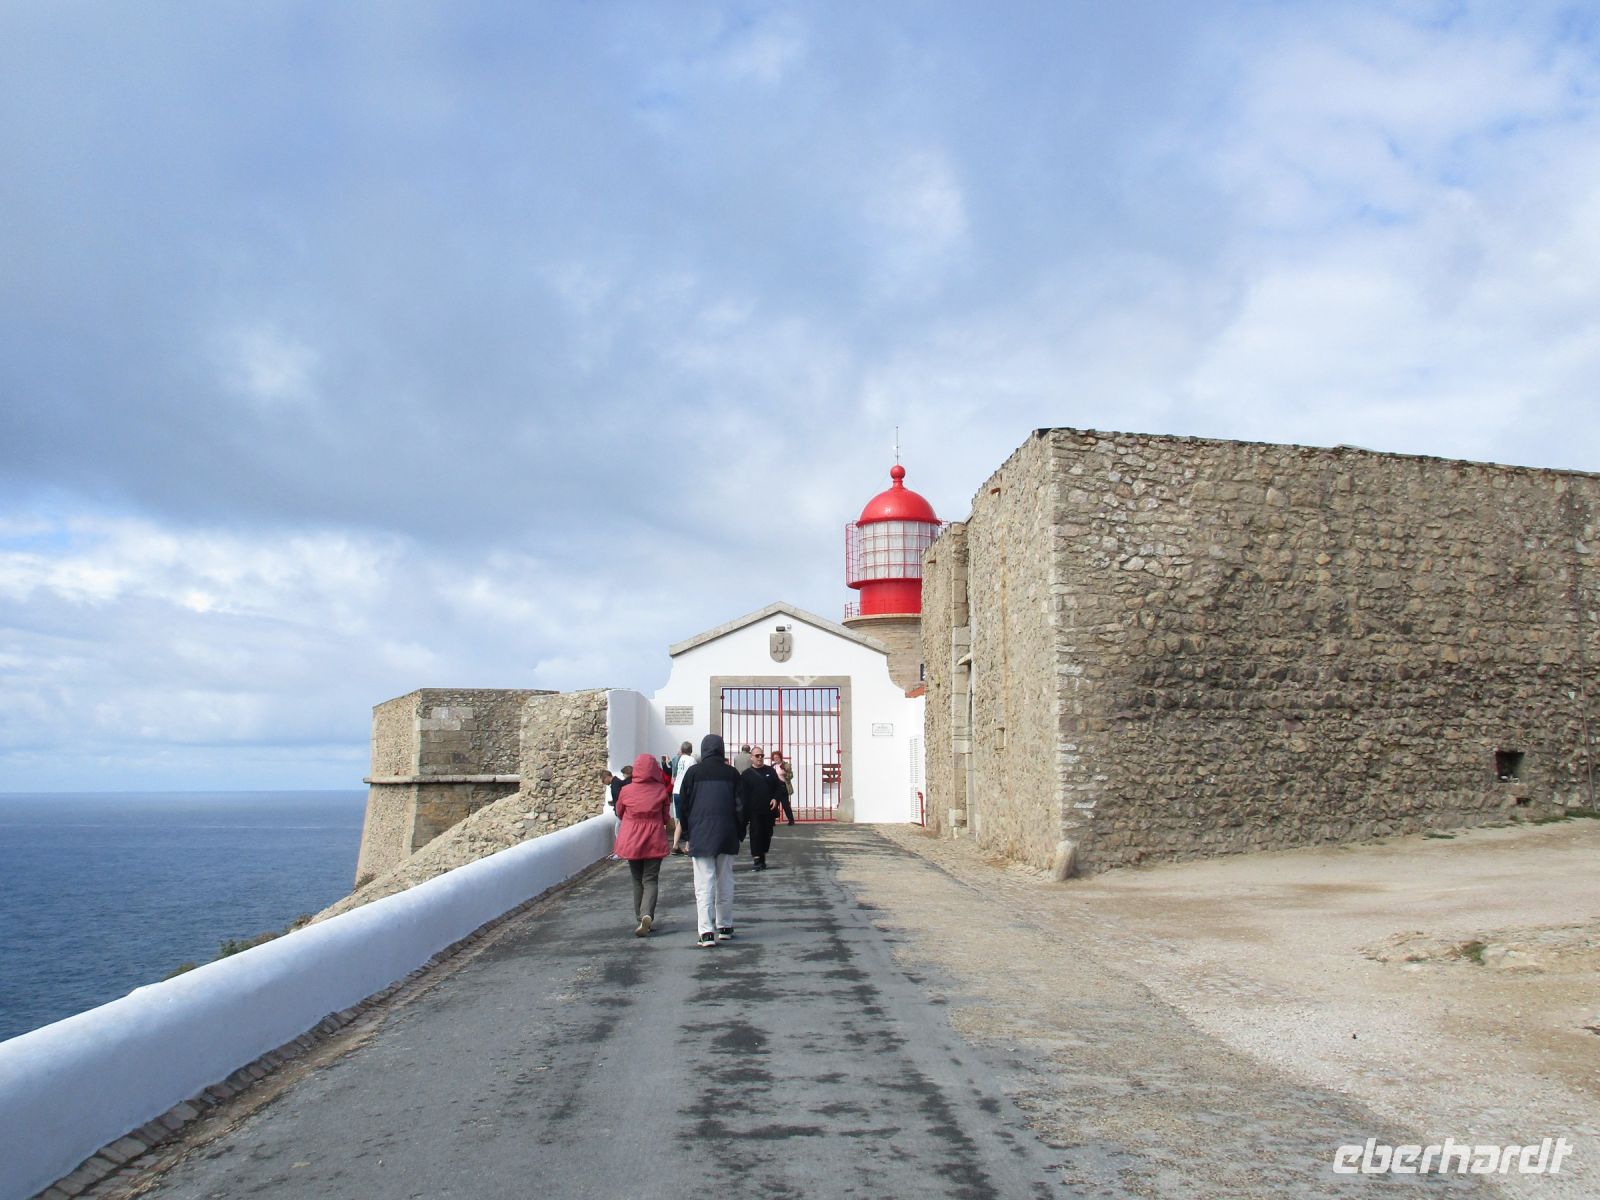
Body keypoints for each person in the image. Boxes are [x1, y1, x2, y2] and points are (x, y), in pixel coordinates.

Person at [677, 733, 744, 946]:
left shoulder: (693, 773)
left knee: (703, 884)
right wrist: (740, 832)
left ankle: (706, 932)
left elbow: (683, 807)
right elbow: (741, 807)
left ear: (704, 749)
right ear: (721, 749)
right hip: (727, 833)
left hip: (701, 834)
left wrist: (687, 834)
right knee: (725, 881)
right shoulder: (732, 774)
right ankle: (725, 925)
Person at [613, 753, 672, 937]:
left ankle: (640, 917)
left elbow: (619, 812)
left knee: (636, 879)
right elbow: (665, 817)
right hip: (654, 837)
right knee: (651, 879)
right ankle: (647, 914)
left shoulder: (626, 790)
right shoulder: (660, 790)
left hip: (632, 838)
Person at [741, 746, 783, 871]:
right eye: (757, 755)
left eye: (762, 755)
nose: (760, 758)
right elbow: (743, 794)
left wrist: (775, 799)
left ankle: (762, 855)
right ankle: (756, 859)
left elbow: (778, 788)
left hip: (768, 810)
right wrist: (744, 813)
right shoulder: (746, 774)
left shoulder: (770, 771)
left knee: (767, 834)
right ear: (751, 757)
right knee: (755, 834)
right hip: (754, 811)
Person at [670, 740, 695, 854]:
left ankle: (675, 845)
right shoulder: (691, 760)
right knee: (689, 817)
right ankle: (688, 846)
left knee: (680, 819)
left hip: (676, 790)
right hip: (685, 791)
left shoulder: (678, 759)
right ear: (690, 750)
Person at [769, 749, 796, 825]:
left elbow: (791, 776)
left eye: (777, 757)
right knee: (774, 805)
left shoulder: (786, 765)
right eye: (774, 757)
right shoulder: (772, 766)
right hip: (774, 788)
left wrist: (785, 774)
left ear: (780, 757)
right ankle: (772, 821)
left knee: (785, 805)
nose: (776, 759)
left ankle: (791, 820)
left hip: (783, 787)